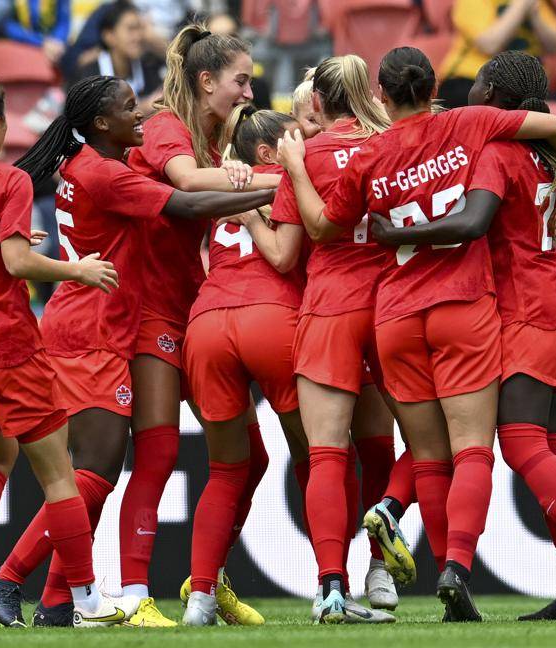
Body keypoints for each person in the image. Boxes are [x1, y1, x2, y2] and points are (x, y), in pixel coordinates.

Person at [277, 45, 556, 623]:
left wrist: (291, 166)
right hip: (462, 303)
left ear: (382, 94)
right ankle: (451, 569)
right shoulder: (468, 123)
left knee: (340, 453)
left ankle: (333, 584)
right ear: (434, 85)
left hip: (379, 310)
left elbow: (317, 227)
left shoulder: (370, 153)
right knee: (467, 451)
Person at [0, 75, 275, 630]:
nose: (140, 117)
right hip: (92, 331)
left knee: (93, 473)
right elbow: (188, 204)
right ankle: (8, 577)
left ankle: (59, 602)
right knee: (93, 473)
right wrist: (275, 187)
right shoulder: (104, 175)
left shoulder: (86, 165)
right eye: (128, 109)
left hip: (94, 327)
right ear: (99, 124)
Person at [370, 50, 556, 621]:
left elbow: (472, 223)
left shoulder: (494, 150)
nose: (470, 89)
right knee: (552, 447)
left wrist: (398, 231)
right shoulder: (538, 151)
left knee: (519, 445)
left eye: (481, 83)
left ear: (493, 96)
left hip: (526, 305)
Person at [0, 76, 138, 628]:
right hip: (6, 349)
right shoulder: (10, 180)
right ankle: (86, 597)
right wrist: (75, 268)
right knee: (60, 476)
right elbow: (15, 264)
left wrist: (4, 242)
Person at [121, 22, 281, 627]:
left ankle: (206, 581)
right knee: (155, 455)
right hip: (146, 309)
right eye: (240, 81)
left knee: (253, 459)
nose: (248, 92)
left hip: (191, 308)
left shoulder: (218, 141)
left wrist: (248, 179)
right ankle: (132, 595)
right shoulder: (167, 128)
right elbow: (185, 185)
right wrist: (278, 179)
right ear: (206, 79)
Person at [267, 53, 398, 624]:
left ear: (316, 102)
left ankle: (330, 588)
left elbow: (289, 250)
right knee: (398, 444)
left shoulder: (308, 153)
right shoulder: (393, 142)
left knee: (326, 454)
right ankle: (382, 568)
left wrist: (293, 167)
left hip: (329, 306)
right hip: (392, 305)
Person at [181, 104, 302, 625]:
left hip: (206, 321)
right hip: (272, 316)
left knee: (227, 469)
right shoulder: (290, 176)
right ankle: (333, 588)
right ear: (270, 151)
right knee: (321, 458)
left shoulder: (219, 183)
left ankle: (201, 597)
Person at [439, 0, 556, 108]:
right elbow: (489, 45)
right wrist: (520, 6)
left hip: (525, 86)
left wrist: (534, 15)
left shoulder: (536, 3)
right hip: (474, 80)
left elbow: (554, 46)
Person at [60, 0, 164, 117]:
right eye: (131, 29)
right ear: (109, 36)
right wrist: (140, 109)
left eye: (140, 29)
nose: (138, 36)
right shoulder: (88, 77)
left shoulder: (150, 71)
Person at [0, 0, 71, 65]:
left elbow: (63, 20)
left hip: (51, 48)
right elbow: (3, 23)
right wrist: (41, 42)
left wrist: (57, 41)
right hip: (17, 44)